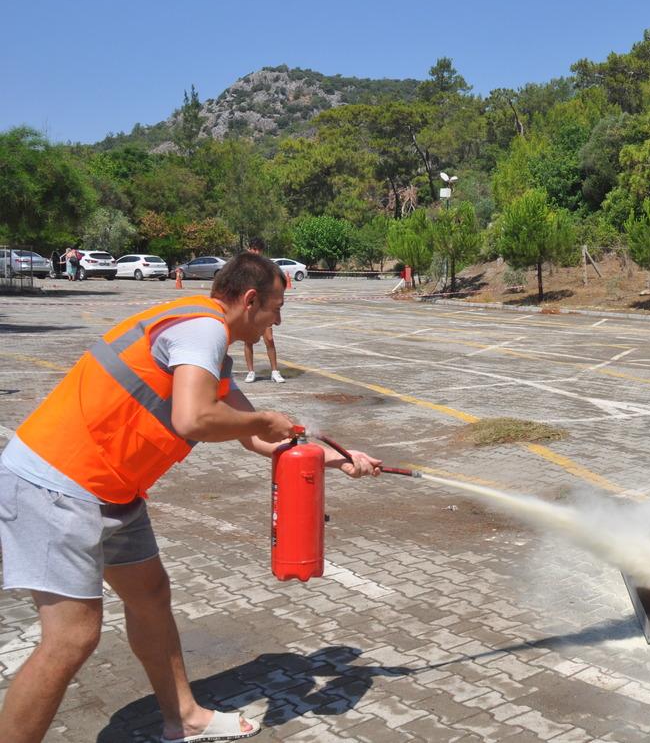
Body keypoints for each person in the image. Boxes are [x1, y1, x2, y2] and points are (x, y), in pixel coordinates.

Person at [0, 253, 382, 743]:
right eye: (276, 307)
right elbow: (194, 418)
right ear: (250, 300)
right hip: (58, 483)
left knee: (151, 599)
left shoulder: (204, 341)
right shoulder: (203, 331)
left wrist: (339, 458)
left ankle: (182, 717)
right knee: (72, 637)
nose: (278, 320)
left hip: (113, 489)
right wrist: (262, 419)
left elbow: (254, 438)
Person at [243, 238, 284, 383]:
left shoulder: (267, 266)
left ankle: (274, 371)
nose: (256, 252)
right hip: (250, 307)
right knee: (248, 340)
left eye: (258, 249)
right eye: (253, 249)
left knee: (269, 339)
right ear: (249, 249)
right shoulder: (244, 267)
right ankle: (250, 372)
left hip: (264, 307)